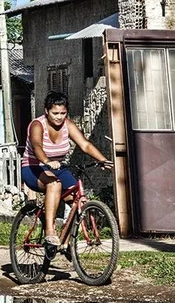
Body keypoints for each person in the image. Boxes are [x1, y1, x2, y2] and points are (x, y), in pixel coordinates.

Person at [20, 91, 112, 247]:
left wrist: (102, 159)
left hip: (57, 168)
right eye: (55, 113)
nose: (59, 117)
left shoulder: (67, 125)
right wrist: (47, 160)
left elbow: (85, 145)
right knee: (54, 184)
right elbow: (37, 147)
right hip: (33, 167)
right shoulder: (37, 125)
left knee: (79, 201)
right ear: (46, 111)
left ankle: (67, 243)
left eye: (63, 113)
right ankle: (50, 231)